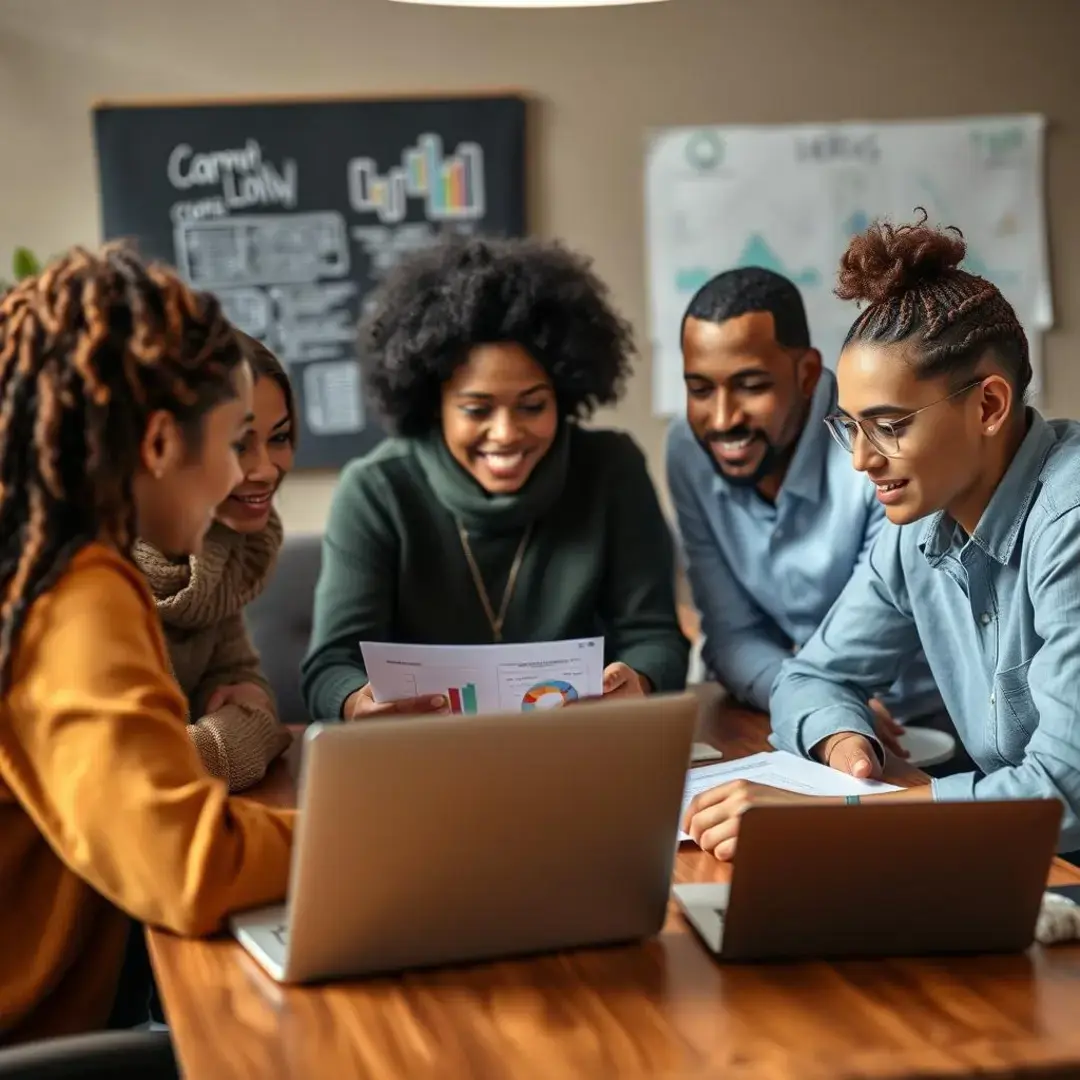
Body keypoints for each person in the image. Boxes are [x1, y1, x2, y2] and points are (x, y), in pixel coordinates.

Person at [683, 212, 1080, 860]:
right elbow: (808, 678)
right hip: (1023, 867)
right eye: (850, 427)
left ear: (988, 406)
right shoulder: (920, 524)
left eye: (889, 426)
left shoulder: (1071, 520)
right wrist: (848, 745)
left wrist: (833, 818)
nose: (862, 460)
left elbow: (1063, 792)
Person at [0, 245, 293, 1044]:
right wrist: (382, 827)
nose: (246, 474)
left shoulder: (33, 555)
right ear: (161, 443)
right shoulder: (76, 591)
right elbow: (190, 866)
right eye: (234, 440)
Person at [301, 235, 689, 721]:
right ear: (433, 405)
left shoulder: (612, 469)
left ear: (564, 396)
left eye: (532, 406)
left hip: (580, 745)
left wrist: (640, 679)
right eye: (476, 409)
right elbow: (328, 666)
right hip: (423, 753)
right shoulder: (377, 490)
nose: (505, 434)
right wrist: (357, 701)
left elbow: (657, 638)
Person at [665, 267, 942, 755]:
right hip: (780, 712)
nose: (723, 418)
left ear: (808, 375)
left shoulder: (875, 448)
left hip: (919, 722)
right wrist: (818, 703)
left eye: (751, 386)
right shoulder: (688, 450)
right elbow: (730, 636)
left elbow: (871, 636)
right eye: (700, 390)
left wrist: (824, 700)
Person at [133, 333, 294, 792]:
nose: (264, 469)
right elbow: (129, 771)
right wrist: (240, 736)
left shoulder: (217, 548)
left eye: (278, 437)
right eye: (238, 444)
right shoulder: (85, 571)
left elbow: (239, 679)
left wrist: (246, 711)